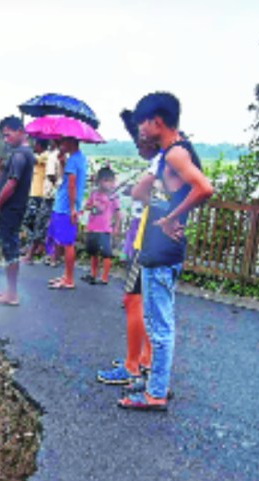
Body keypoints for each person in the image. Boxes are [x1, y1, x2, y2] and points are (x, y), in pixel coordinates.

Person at [118, 92, 213, 411]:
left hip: (162, 252)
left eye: (142, 123)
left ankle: (155, 393)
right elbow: (146, 192)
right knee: (155, 319)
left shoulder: (175, 154)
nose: (140, 130)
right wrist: (170, 211)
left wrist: (172, 217)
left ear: (156, 121)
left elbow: (205, 188)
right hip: (157, 248)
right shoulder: (172, 152)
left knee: (160, 327)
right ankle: (154, 383)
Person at [97, 110, 159, 388]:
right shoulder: (163, 161)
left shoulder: (161, 163)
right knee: (142, 303)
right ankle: (143, 359)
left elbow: (146, 196)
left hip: (148, 241)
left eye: (139, 139)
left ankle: (132, 365)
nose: (137, 146)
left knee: (133, 301)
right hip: (148, 240)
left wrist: (134, 189)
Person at [0, 116, 36, 306]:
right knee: (9, 248)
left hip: (11, 209)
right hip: (14, 209)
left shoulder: (19, 155)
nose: (5, 139)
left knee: (10, 249)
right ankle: (9, 290)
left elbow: (12, 182)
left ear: (19, 131)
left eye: (8, 135)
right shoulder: (21, 153)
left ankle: (12, 294)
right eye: (3, 136)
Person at [46, 137, 88, 289]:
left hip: (65, 207)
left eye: (63, 142)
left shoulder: (74, 160)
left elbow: (71, 185)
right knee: (64, 242)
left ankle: (69, 279)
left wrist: (72, 209)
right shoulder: (78, 158)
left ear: (71, 142)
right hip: (64, 206)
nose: (61, 145)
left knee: (67, 243)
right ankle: (65, 275)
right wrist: (62, 161)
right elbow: (67, 179)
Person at [81, 167, 121, 285]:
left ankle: (104, 277)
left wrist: (116, 227)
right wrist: (93, 205)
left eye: (111, 181)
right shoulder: (94, 194)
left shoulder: (113, 197)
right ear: (99, 181)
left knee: (106, 253)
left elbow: (118, 213)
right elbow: (87, 206)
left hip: (105, 229)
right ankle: (93, 274)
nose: (109, 184)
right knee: (93, 252)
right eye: (106, 180)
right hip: (92, 227)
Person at [22, 140, 51, 262]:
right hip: (33, 194)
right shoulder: (39, 157)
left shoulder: (46, 156)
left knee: (33, 222)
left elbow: (33, 159)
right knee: (31, 222)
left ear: (40, 145)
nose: (34, 146)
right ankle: (35, 246)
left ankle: (34, 248)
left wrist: (25, 149)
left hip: (39, 195)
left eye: (36, 144)